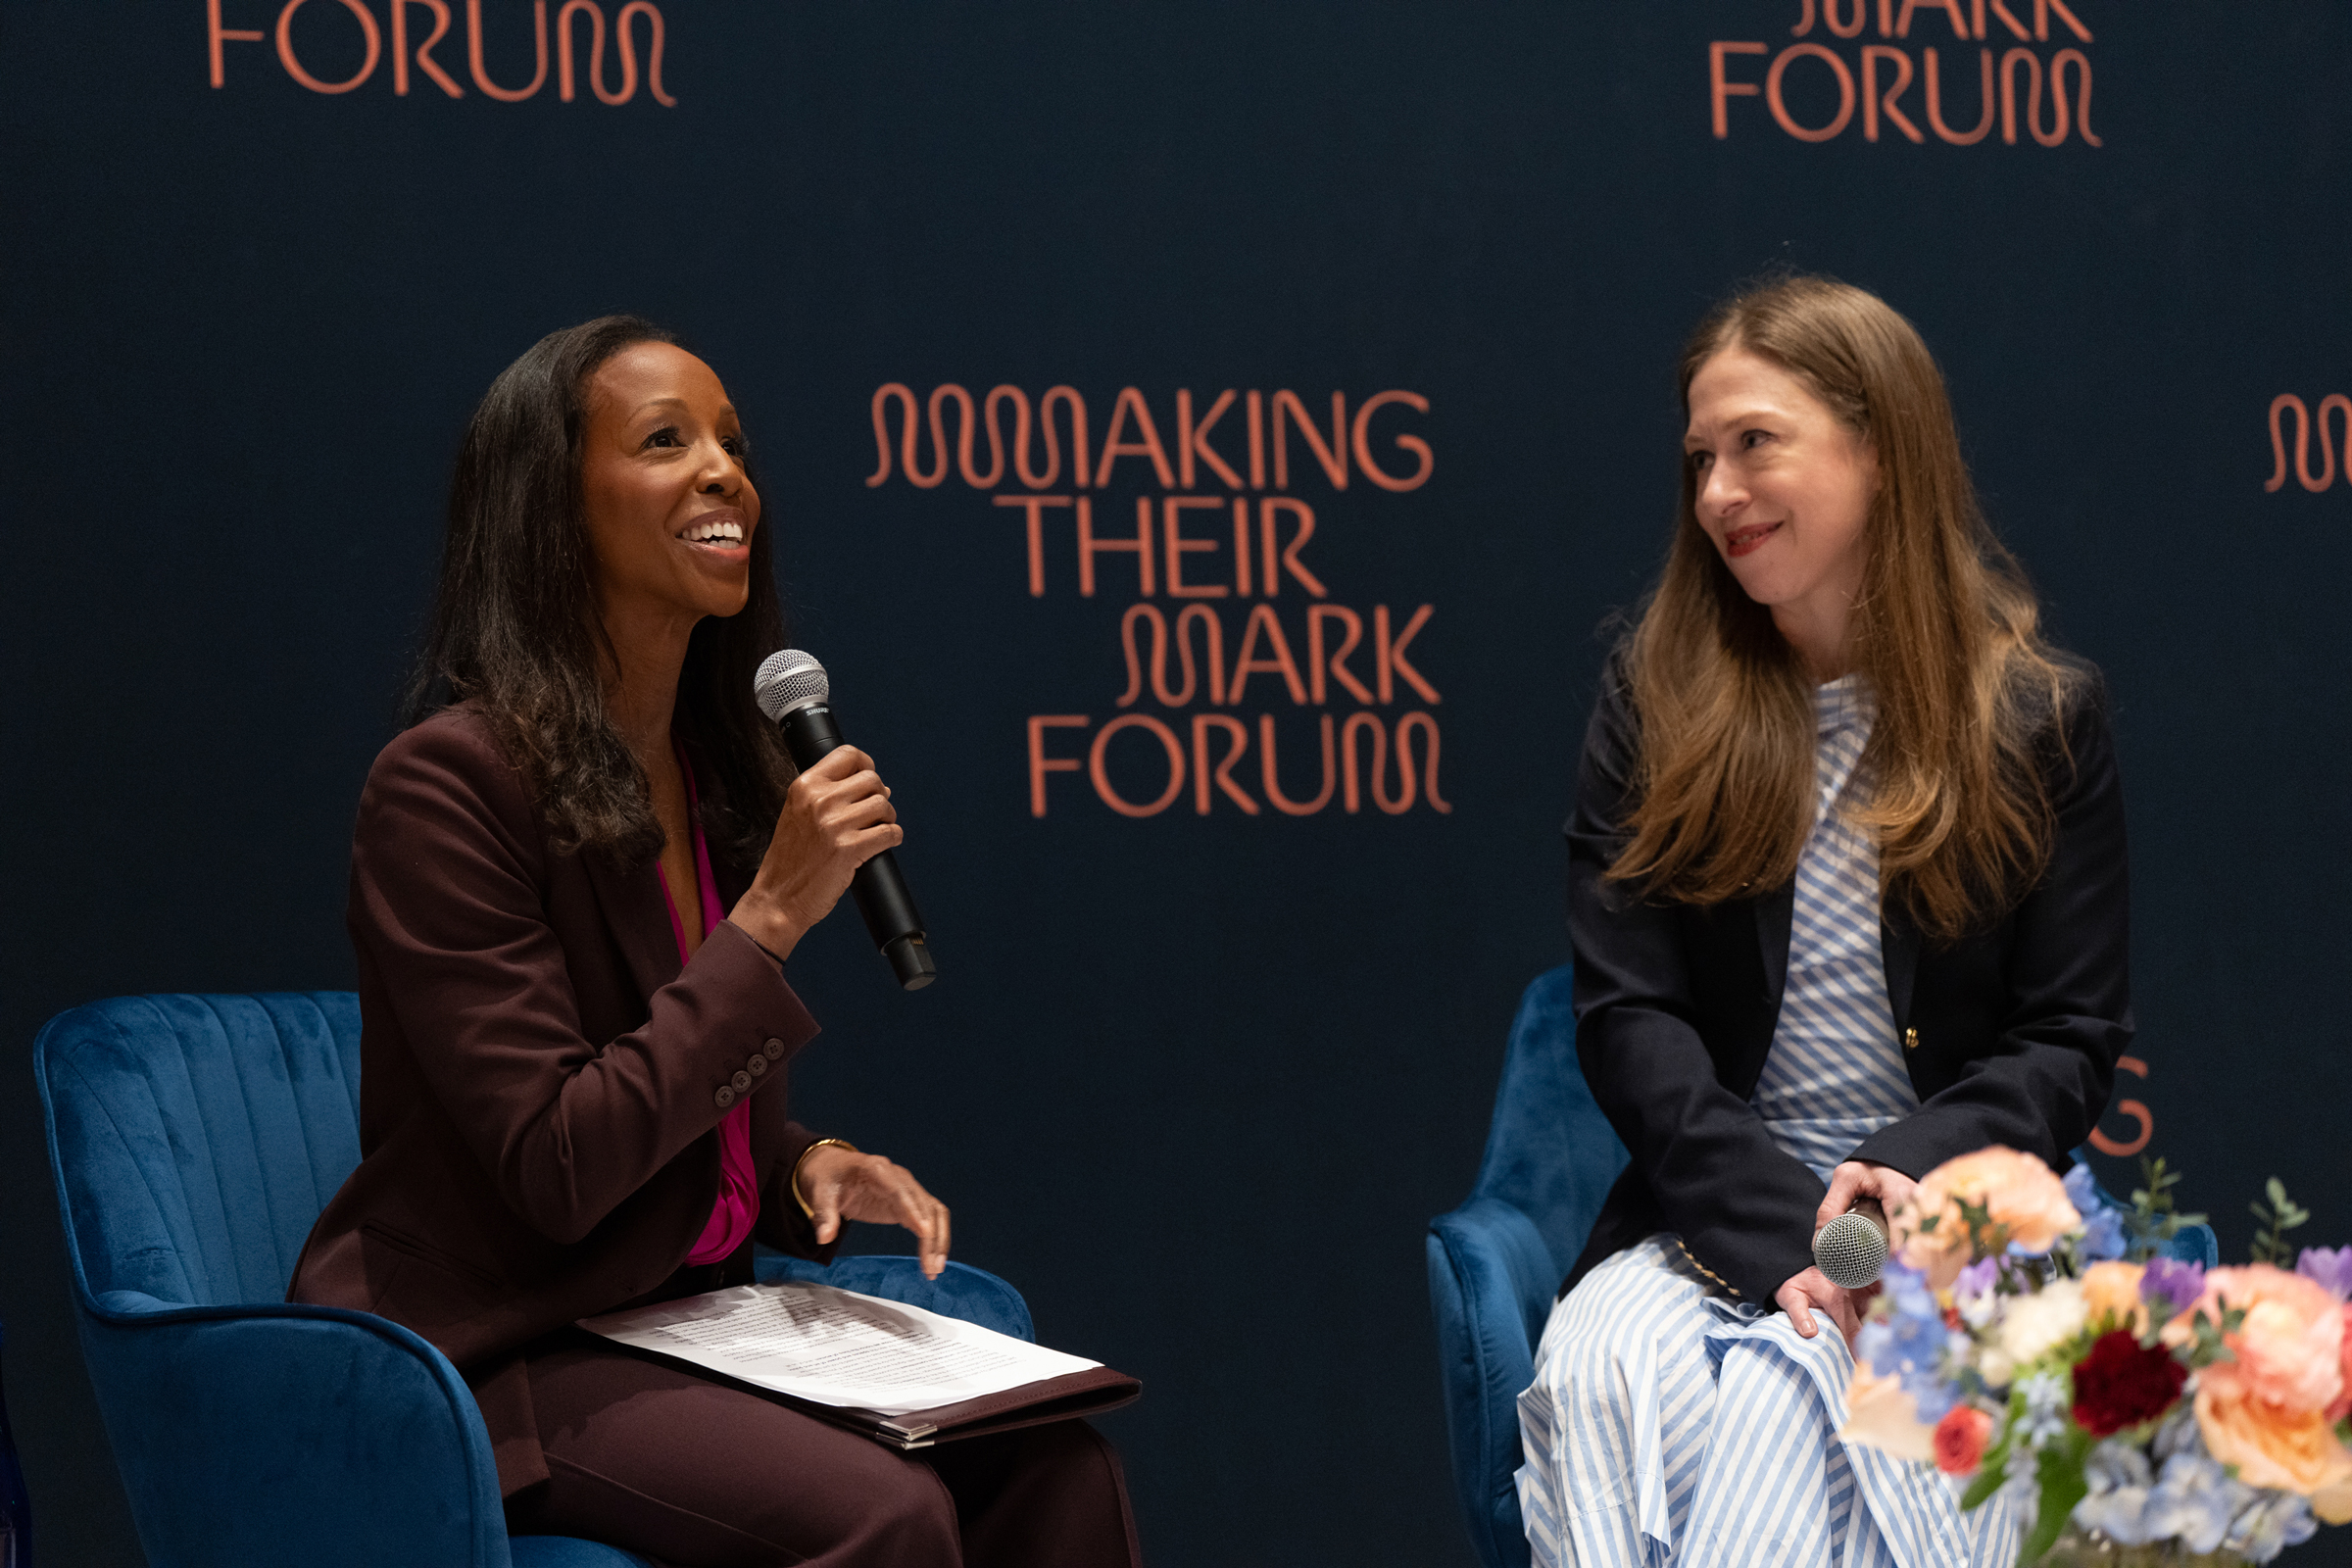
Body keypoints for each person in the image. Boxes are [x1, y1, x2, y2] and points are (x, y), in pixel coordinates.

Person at [287, 317, 1142, 1568]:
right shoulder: (445, 787)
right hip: (511, 1348)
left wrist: (801, 1169)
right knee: (882, 1511)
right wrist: (776, 915)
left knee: (1057, 1468)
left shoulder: (709, 776)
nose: (724, 471)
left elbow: (659, 1082)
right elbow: (560, 1158)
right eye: (665, 440)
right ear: (552, 507)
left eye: (733, 442)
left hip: (678, 1320)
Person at [1515, 275, 2129, 1567]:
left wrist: (1901, 1191)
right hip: (1709, 1207)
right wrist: (1800, 1235)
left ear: (1880, 449)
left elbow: (2065, 1038)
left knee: (1890, 1408)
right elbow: (1633, 1024)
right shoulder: (1654, 706)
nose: (1717, 495)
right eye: (1699, 458)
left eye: (1755, 443)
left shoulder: (2042, 720)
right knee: (1612, 1384)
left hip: (1956, 1212)